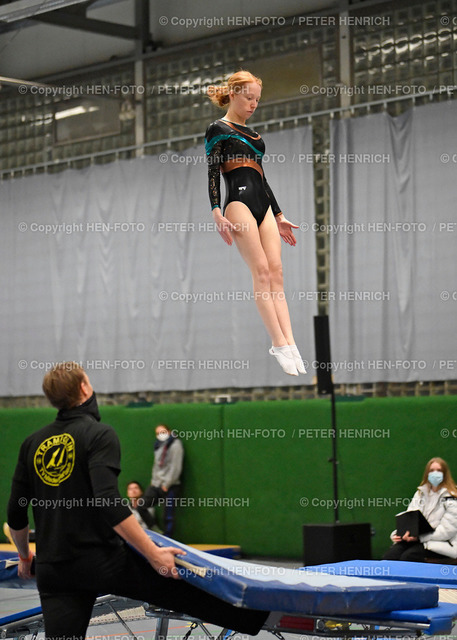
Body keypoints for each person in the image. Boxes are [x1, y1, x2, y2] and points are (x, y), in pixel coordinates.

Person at [6, 362, 268, 640]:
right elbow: (107, 501)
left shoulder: (32, 443)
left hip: (55, 569)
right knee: (182, 583)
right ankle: (263, 614)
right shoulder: (98, 434)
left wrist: (24, 557)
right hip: (101, 562)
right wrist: (154, 554)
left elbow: (16, 513)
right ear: (84, 387)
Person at [205, 70, 306, 377]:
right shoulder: (217, 128)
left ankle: (290, 342)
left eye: (257, 100)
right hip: (237, 204)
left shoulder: (257, 137)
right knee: (260, 271)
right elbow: (212, 171)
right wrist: (216, 211)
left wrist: (279, 214)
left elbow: (262, 178)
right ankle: (277, 342)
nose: (253, 104)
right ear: (233, 93)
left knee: (276, 272)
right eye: (248, 98)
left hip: (262, 205)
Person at [383, 457, 457, 562]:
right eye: (431, 471)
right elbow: (410, 518)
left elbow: (446, 532)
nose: (435, 473)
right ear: (427, 473)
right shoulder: (420, 494)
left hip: (442, 544)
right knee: (391, 556)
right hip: (418, 540)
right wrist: (399, 534)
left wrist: (419, 538)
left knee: (408, 557)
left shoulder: (452, 496)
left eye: (439, 470)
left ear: (445, 474)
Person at [138, 425, 184, 537]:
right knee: (141, 506)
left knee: (168, 516)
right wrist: (154, 481)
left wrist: (167, 484)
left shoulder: (176, 445)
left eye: (163, 432)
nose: (160, 435)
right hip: (156, 483)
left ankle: (168, 539)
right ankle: (155, 530)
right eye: (158, 433)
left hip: (170, 486)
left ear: (168, 431)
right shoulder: (158, 446)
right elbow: (156, 465)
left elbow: (176, 466)